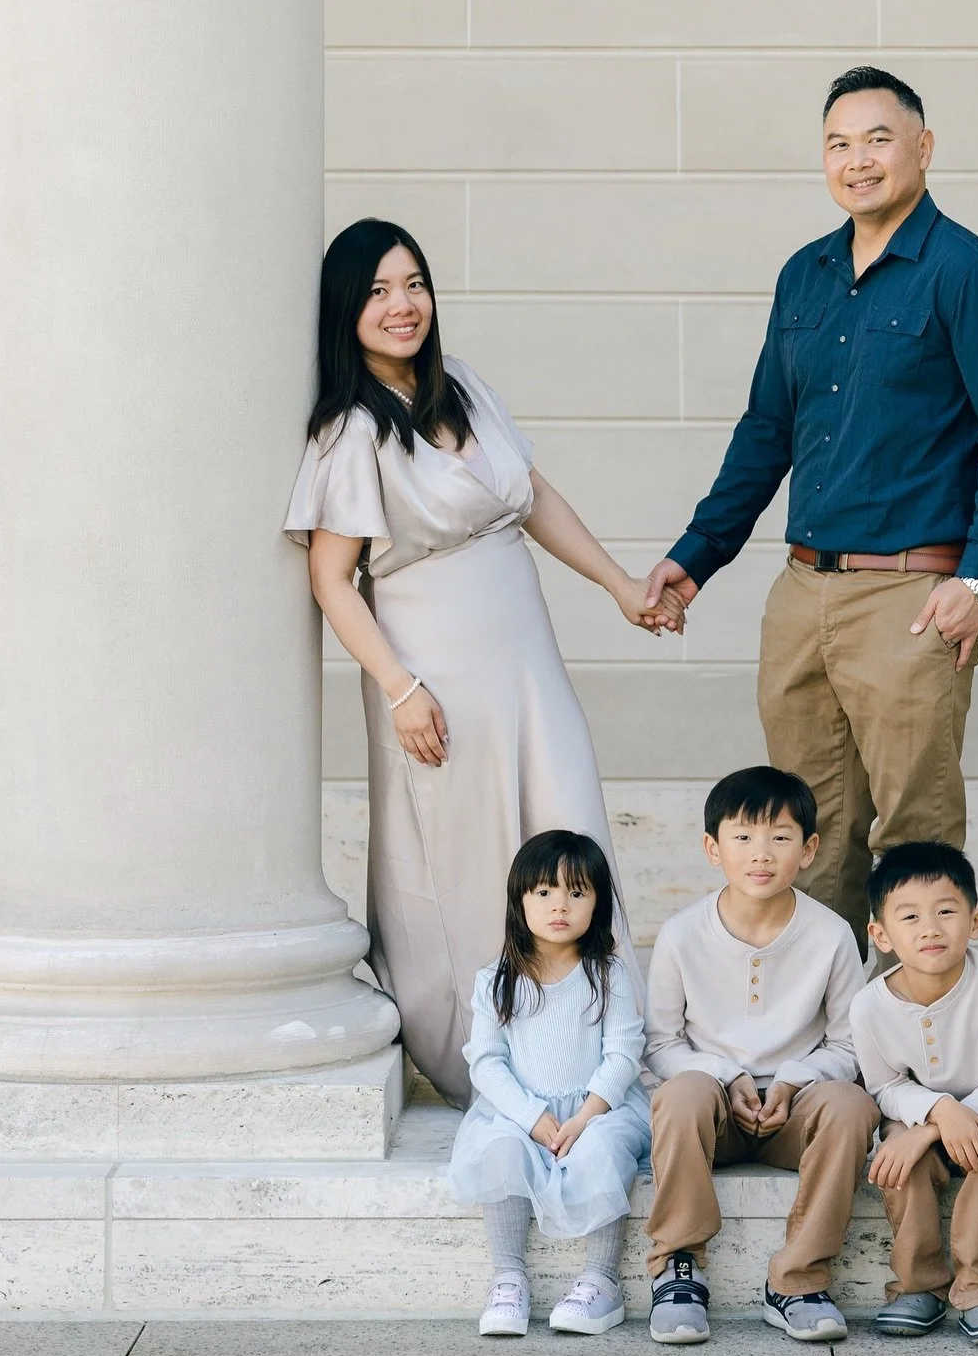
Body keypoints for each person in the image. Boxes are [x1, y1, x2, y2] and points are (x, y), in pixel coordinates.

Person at [645, 65, 978, 956]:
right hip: (802, 595)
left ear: (923, 148)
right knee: (801, 832)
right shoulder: (806, 275)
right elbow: (766, 431)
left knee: (914, 834)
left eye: (877, 139)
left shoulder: (968, 275)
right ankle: (821, 1044)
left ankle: (918, 1046)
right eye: (838, 143)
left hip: (913, 598)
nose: (857, 160)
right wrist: (696, 555)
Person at [286, 218, 684, 1106]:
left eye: (415, 284)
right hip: (438, 675)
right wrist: (402, 688)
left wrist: (620, 585)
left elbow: (533, 496)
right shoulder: (351, 432)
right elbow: (331, 581)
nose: (403, 305)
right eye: (380, 291)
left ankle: (600, 1044)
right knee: (467, 864)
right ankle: (489, 1059)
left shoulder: (461, 385)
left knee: (568, 823)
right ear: (347, 310)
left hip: (526, 663)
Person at [642, 767, 876, 1347]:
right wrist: (728, 1075)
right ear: (712, 848)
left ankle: (797, 1279)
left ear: (810, 848)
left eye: (780, 836)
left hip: (793, 1116)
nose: (761, 854)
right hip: (712, 1112)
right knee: (681, 1092)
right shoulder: (680, 934)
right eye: (742, 837)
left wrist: (794, 1081)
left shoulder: (831, 934)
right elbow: (661, 1044)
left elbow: (850, 1046)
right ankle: (678, 1269)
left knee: (850, 1106)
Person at [447, 831, 650, 1339]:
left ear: (598, 904)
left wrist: (585, 1118)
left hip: (599, 1107)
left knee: (603, 1150)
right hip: (521, 1109)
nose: (560, 905)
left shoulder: (608, 975)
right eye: (543, 892)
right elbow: (487, 1061)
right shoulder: (498, 978)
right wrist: (533, 1118)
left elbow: (623, 1054)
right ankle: (509, 1278)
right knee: (498, 1149)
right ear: (520, 900)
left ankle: (601, 1281)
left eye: (577, 893)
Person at [850, 841, 978, 1348]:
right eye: (909, 916)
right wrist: (932, 1117)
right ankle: (920, 1285)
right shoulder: (869, 1006)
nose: (930, 928)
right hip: (914, 1109)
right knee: (898, 1161)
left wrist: (944, 1123)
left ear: (975, 922)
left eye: (946, 912)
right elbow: (885, 1086)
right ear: (881, 934)